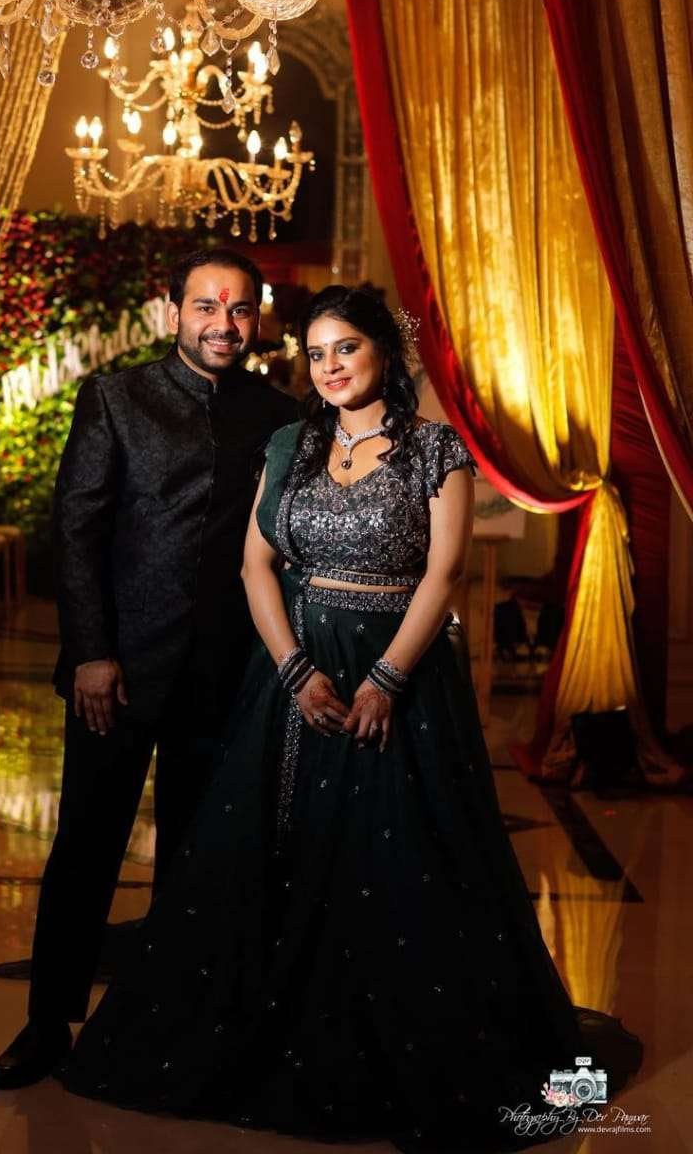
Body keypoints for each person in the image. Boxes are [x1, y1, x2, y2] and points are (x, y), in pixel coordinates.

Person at [62, 285, 642, 1151]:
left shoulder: (435, 448)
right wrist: (294, 668)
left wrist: (385, 679)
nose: (329, 367)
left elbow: (443, 573)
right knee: (274, 855)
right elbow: (256, 564)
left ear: (382, 352)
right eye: (316, 353)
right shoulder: (290, 445)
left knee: (396, 865)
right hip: (293, 676)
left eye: (347, 349)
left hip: (400, 675)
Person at [0, 248, 299, 1089]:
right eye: (206, 306)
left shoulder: (278, 416)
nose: (223, 323)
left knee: (197, 863)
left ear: (256, 318)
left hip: (223, 675)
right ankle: (47, 1024)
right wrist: (91, 651)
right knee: (85, 849)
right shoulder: (116, 397)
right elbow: (77, 528)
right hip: (116, 674)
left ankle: (171, 1026)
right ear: (174, 314)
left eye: (239, 309)